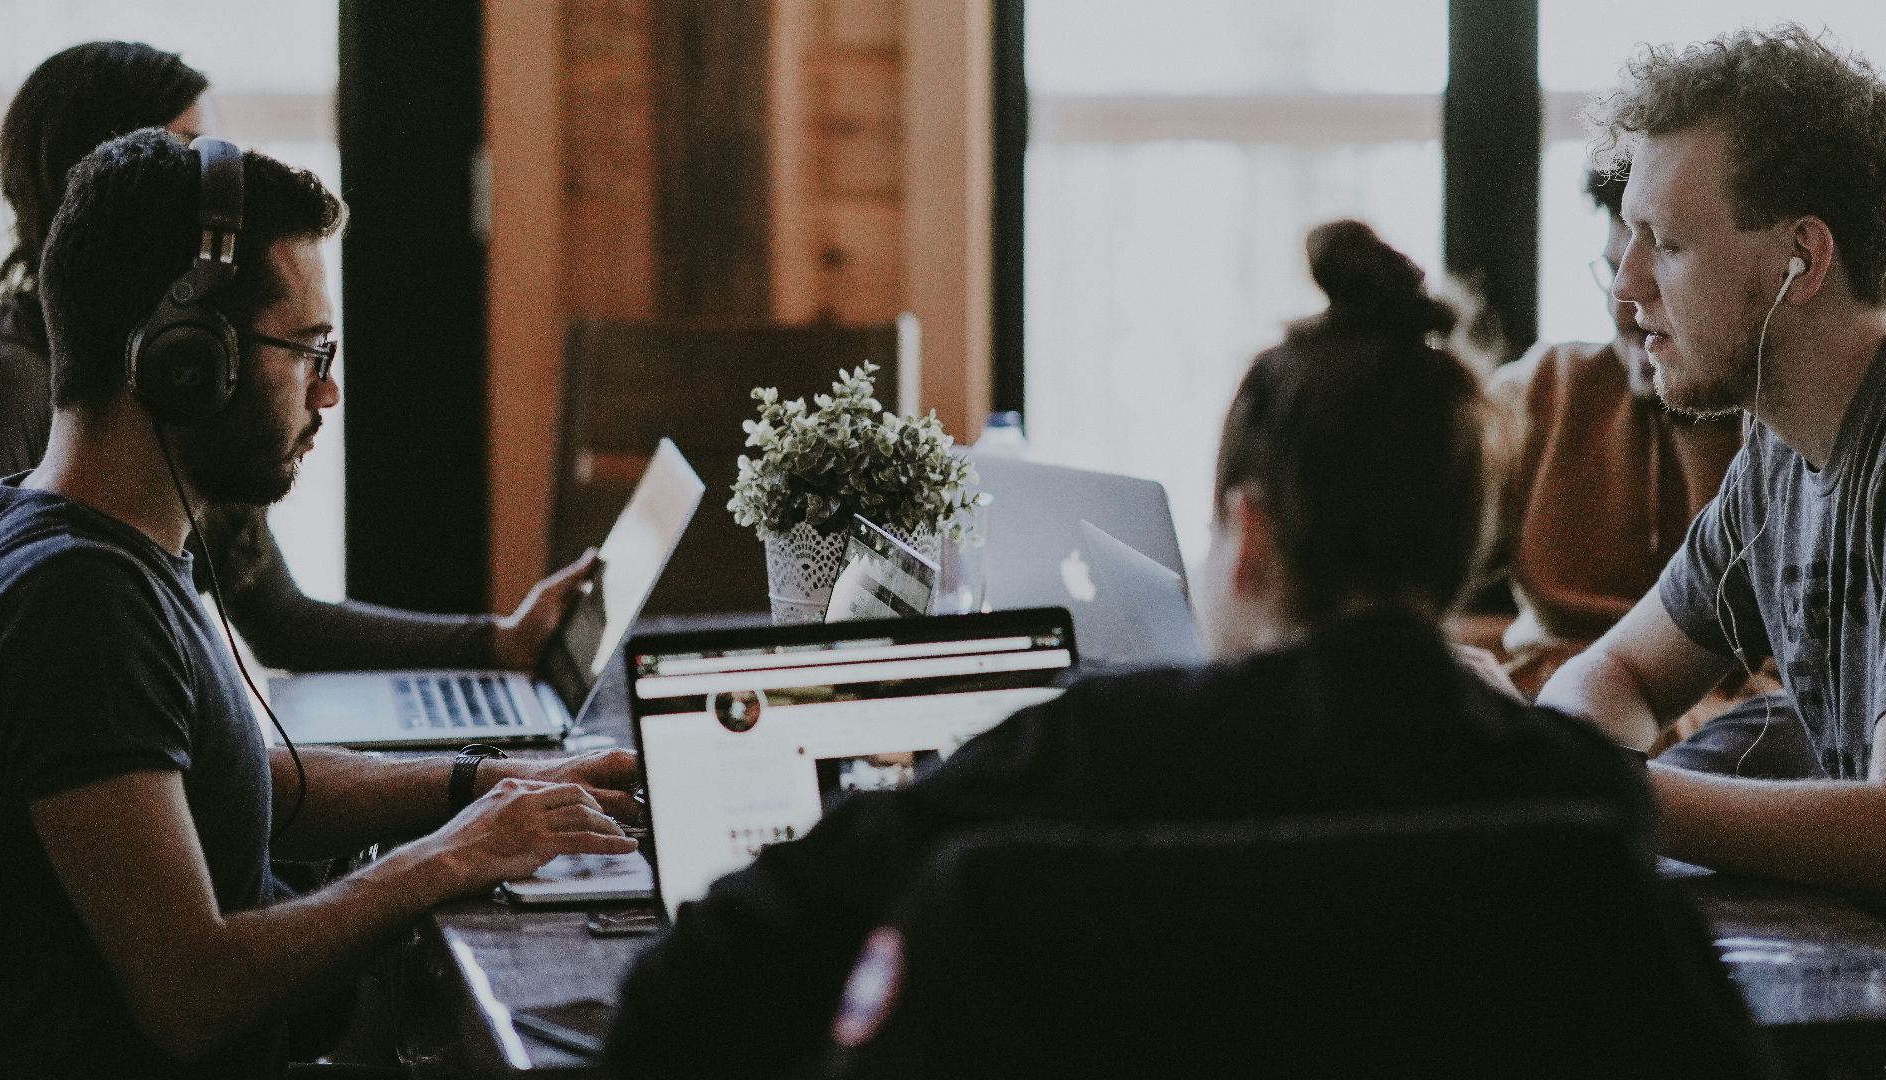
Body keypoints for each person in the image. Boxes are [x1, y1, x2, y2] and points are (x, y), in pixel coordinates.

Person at [603, 221, 1650, 1077]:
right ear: (1466, 543)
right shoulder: (1582, 807)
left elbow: (685, 991)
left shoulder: (1077, 760)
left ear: (1251, 538)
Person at [0, 129, 640, 1078]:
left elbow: (247, 782)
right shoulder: (77, 605)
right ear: (186, 359)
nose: (328, 389)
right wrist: (450, 859)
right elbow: (191, 993)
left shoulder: (72, 542)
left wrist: (487, 786)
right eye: (309, 348)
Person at [0, 40, 587, 676]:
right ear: (100, 177)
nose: (219, 197)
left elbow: (282, 620)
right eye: (186, 155)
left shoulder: (200, 370)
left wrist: (499, 642)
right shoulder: (5, 382)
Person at [1538, 25, 1886, 891]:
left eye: (1670, 244)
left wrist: (1608, 792)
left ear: (1799, 261)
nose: (1628, 288)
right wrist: (1577, 765)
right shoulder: (1776, 451)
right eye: (1629, 239)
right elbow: (1616, 671)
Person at [1487, 167, 1812, 777]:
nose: (1626, 307)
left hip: (1728, 747)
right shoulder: (1544, 393)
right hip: (1574, 717)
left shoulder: (1792, 445)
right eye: (1612, 272)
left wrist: (1605, 787)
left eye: (1666, 266)